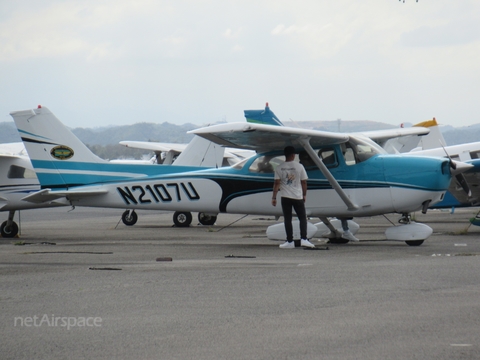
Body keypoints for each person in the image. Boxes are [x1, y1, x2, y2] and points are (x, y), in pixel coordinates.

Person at [272, 146, 315, 249]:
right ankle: (304, 239)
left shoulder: (279, 167)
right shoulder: (299, 167)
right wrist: (304, 194)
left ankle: (290, 241)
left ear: (285, 155)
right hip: (297, 196)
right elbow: (304, 182)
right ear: (293, 155)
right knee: (302, 218)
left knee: (288, 219)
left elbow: (276, 183)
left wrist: (274, 197)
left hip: (285, 196)